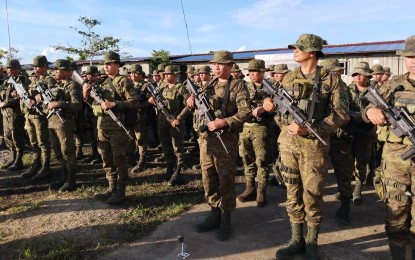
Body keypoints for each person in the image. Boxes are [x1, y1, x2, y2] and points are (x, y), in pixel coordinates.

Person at [262, 34, 348, 259]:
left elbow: (340, 114)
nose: (294, 51)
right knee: (292, 192)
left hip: (313, 148)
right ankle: (296, 239)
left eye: (299, 48)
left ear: (312, 52)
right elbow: (280, 110)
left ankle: (311, 242)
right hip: (288, 145)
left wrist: (312, 130)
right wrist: (269, 106)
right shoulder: (288, 77)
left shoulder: (331, 79)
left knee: (312, 195)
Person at [187, 50, 251, 241]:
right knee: (208, 178)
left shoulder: (238, 86)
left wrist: (225, 122)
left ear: (230, 66)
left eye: (221, 64)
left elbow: (246, 111)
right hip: (206, 140)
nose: (216, 67)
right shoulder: (208, 84)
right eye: (214, 64)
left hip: (226, 142)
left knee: (225, 180)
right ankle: (214, 213)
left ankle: (226, 217)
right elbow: (198, 106)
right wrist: (190, 101)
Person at [364, 35, 415, 260]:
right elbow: (368, 105)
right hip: (395, 159)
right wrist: (369, 112)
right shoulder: (394, 84)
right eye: (409, 56)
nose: (412, 61)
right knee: (396, 213)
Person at [83, 51, 138, 204]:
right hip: (102, 126)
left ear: (117, 65)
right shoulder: (101, 82)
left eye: (109, 64)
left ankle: (121, 191)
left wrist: (115, 104)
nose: (106, 66)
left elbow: (134, 102)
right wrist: (86, 95)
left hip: (118, 127)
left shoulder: (124, 81)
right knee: (105, 158)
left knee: (119, 159)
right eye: (105, 64)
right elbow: (94, 105)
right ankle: (111, 187)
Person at [237, 59, 272, 207]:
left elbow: (276, 104)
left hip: (261, 128)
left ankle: (261, 192)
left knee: (261, 161)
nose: (252, 74)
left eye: (255, 71)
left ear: (263, 72)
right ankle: (250, 188)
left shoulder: (272, 87)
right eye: (250, 72)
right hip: (245, 127)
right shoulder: (244, 86)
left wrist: (263, 108)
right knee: (246, 158)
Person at [44, 59, 81, 192]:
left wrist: (60, 104)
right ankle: (64, 177)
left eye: (57, 69)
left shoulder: (72, 85)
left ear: (66, 71)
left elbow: (77, 105)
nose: (55, 72)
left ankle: (71, 181)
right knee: (58, 152)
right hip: (52, 122)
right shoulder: (55, 85)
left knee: (68, 152)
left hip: (64, 123)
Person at [149, 65, 190, 185]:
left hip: (174, 122)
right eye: (165, 74)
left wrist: (179, 118)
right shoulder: (162, 86)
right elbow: (155, 99)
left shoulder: (181, 88)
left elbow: (189, 105)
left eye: (169, 74)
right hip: (162, 121)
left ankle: (178, 172)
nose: (166, 76)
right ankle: (169, 170)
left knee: (177, 148)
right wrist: (152, 99)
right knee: (166, 146)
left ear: (175, 75)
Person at [20, 55, 53, 181]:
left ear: (45, 67)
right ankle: (36, 163)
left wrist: (41, 98)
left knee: (43, 142)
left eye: (38, 66)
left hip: (40, 116)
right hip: (29, 114)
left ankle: (45, 167)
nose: (35, 68)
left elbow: (53, 98)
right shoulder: (34, 80)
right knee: (33, 142)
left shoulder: (49, 80)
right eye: (34, 65)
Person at [0, 59, 27, 171]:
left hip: (15, 113)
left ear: (16, 69)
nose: (7, 70)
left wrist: (5, 103)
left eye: (9, 68)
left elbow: (22, 98)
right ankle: (14, 157)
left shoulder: (21, 81)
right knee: (8, 136)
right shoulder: (8, 81)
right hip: (6, 113)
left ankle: (19, 160)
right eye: (7, 68)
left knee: (17, 136)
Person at [128, 64, 150, 174]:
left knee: (141, 140)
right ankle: (132, 158)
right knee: (130, 138)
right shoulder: (129, 85)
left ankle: (142, 161)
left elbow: (150, 101)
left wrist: (140, 106)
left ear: (141, 74)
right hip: (129, 116)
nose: (132, 75)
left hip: (140, 116)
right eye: (131, 73)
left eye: (135, 73)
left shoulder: (146, 86)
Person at [82, 65, 102, 165]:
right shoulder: (85, 84)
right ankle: (94, 154)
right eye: (88, 75)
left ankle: (99, 155)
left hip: (96, 114)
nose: (89, 77)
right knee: (91, 136)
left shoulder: (100, 84)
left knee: (97, 135)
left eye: (92, 75)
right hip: (87, 113)